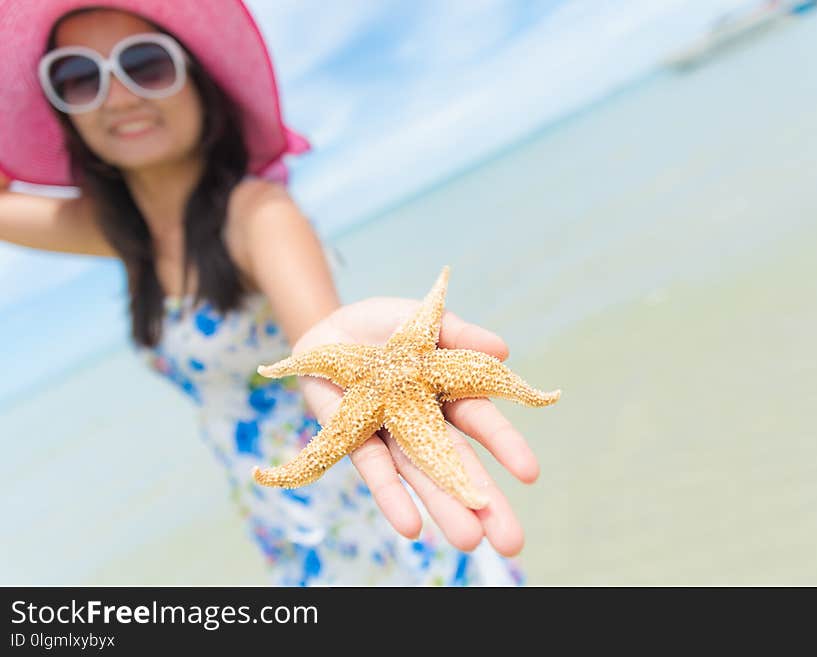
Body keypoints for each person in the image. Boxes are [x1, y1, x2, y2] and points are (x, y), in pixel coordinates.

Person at [0, 0, 539, 586]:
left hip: (373, 514)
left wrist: (344, 349)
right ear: (62, 109)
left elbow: (319, 335)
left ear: (199, 82)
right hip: (288, 528)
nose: (118, 95)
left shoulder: (259, 216)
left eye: (146, 65)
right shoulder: (124, 235)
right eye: (77, 78)